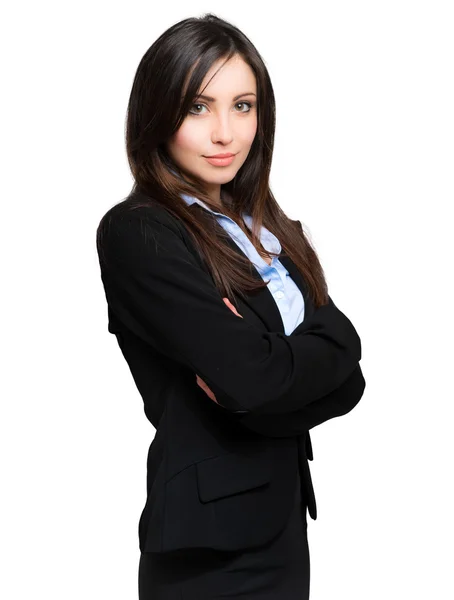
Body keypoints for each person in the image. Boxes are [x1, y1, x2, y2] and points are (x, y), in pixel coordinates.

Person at [96, 13, 366, 600]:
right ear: (157, 114)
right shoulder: (140, 232)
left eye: (242, 106)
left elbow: (350, 374)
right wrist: (285, 372)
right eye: (198, 107)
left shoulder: (267, 229)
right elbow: (254, 379)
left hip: (283, 528)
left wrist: (274, 378)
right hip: (210, 553)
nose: (225, 132)